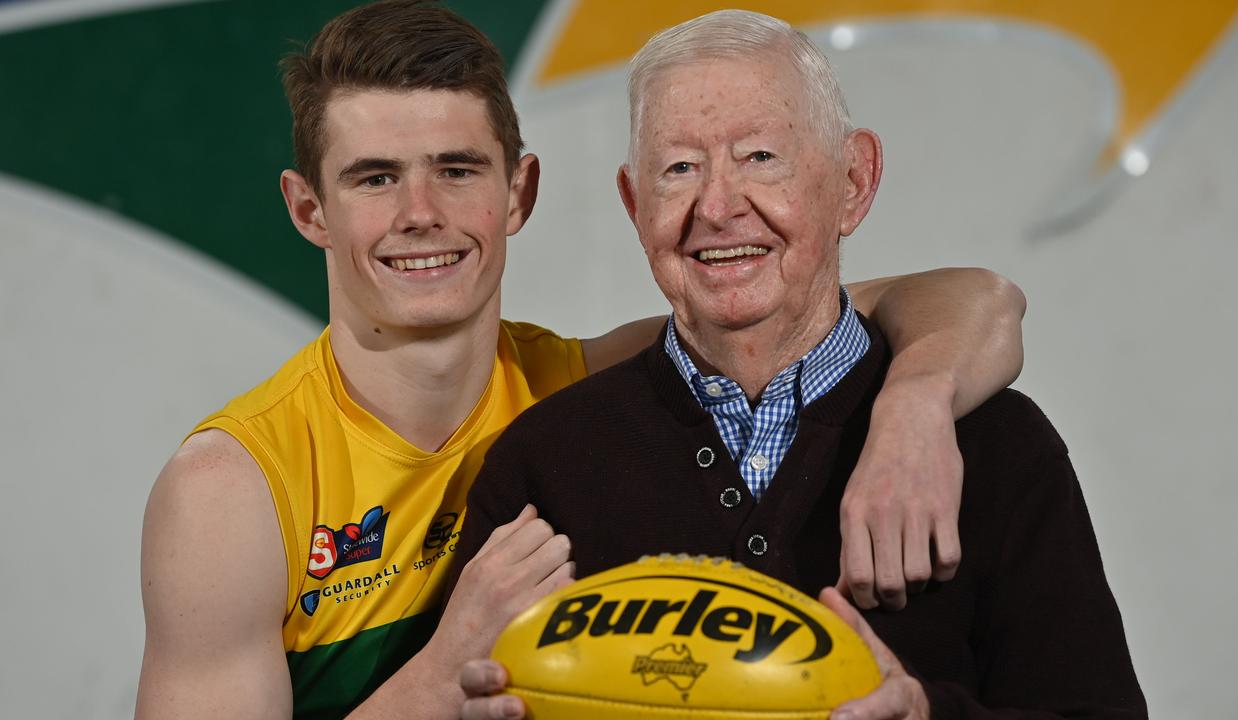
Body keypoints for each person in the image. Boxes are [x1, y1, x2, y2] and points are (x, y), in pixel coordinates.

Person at [135, 2, 1027, 718]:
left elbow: (966, 299)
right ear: (308, 210)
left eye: (456, 169)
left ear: (519, 191)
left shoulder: (580, 390)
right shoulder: (234, 489)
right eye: (374, 178)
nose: (420, 213)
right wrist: (438, 678)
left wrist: (915, 404)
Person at [453, 9, 1144, 720]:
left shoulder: (996, 447)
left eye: (760, 157)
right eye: (680, 168)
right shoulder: (541, 466)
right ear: (636, 205)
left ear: (853, 182)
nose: (717, 207)